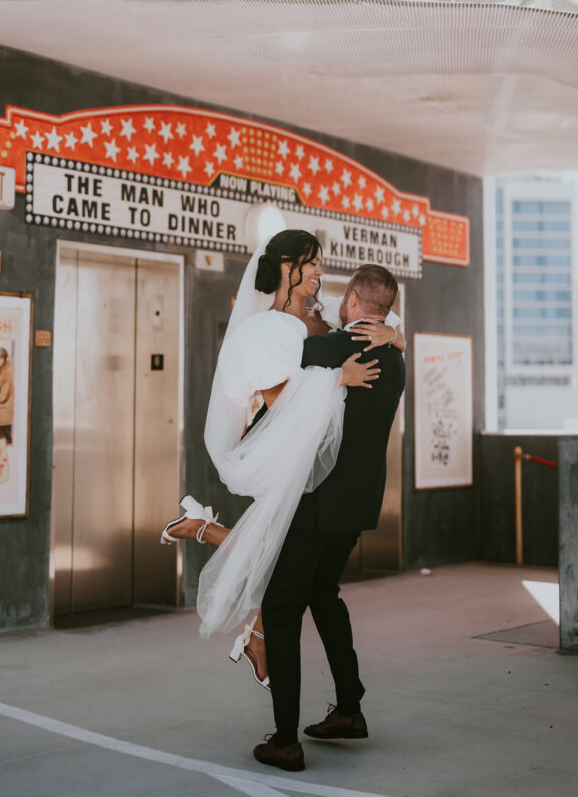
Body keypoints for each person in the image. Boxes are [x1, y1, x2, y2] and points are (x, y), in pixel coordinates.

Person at [160, 232, 402, 685]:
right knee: (277, 554)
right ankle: (245, 617)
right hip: (285, 447)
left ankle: (247, 621)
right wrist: (338, 377)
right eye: (312, 263)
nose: (319, 271)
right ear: (287, 266)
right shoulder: (266, 328)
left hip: (312, 449)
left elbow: (372, 308)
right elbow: (276, 398)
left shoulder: (319, 313)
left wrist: (395, 334)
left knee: (277, 552)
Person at [253, 264, 406, 771]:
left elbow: (277, 357)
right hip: (359, 507)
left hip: (315, 504)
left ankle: (284, 738)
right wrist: (397, 334)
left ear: (355, 299)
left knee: (280, 608)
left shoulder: (332, 348)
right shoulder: (396, 357)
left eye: (344, 296)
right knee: (324, 595)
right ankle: (348, 709)